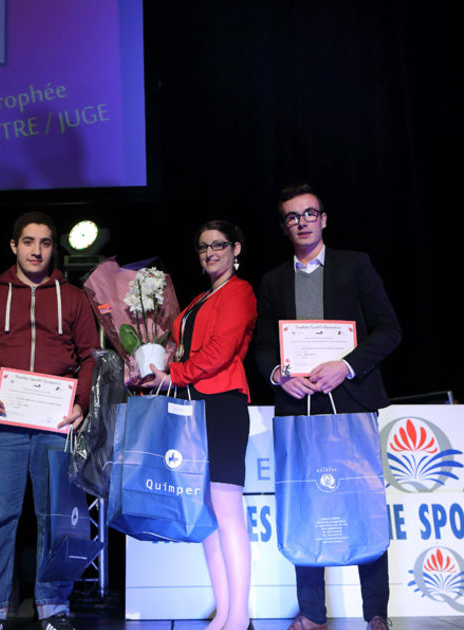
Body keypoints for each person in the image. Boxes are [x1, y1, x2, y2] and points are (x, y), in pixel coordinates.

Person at [251, 184, 401, 630]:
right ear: (284, 226)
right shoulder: (274, 280)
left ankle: (375, 613)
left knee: (362, 505)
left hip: (353, 403)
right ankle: (312, 614)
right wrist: (280, 374)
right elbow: (261, 347)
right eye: (293, 217)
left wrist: (347, 366)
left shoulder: (355, 265)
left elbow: (389, 330)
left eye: (309, 213)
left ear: (324, 219)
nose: (302, 222)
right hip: (300, 409)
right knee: (305, 507)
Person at [0, 211, 100, 630]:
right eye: (28, 242)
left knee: (53, 516)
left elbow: (88, 357)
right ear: (14, 246)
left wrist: (80, 402)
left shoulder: (73, 297)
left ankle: (52, 606)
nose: (36, 250)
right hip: (3, 421)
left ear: (53, 248)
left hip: (55, 422)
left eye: (44, 242)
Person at [142, 220, 258, 630]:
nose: (210, 253)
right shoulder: (197, 300)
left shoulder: (240, 292)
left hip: (222, 404)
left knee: (227, 511)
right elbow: (187, 347)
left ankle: (240, 616)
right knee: (207, 513)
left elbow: (220, 352)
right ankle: (223, 612)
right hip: (193, 405)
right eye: (204, 247)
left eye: (219, 245)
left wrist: (173, 373)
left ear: (236, 249)